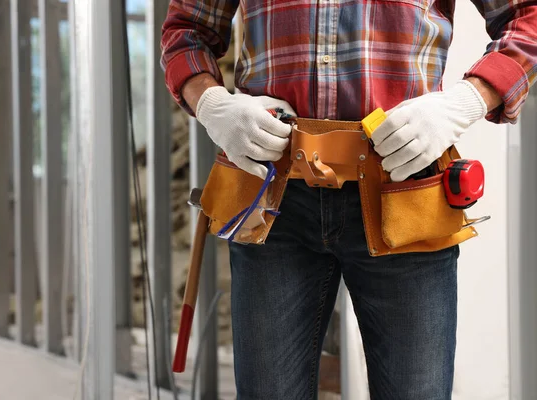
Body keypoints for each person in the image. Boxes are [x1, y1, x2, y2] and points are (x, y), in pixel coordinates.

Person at [161, 1, 536, 398]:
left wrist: (465, 102)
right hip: (274, 192)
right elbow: (186, 29)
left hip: (403, 192)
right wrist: (212, 104)